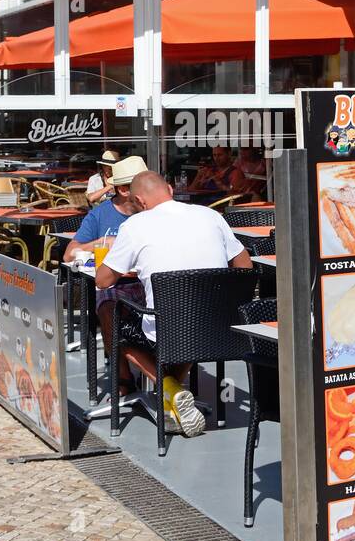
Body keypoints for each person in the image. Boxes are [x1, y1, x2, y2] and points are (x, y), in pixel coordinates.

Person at [96, 171, 253, 437]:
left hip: (171, 331)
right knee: (185, 322)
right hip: (220, 330)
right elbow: (244, 266)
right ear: (170, 188)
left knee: (108, 306)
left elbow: (102, 280)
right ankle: (172, 402)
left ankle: (170, 388)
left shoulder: (135, 226)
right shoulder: (211, 216)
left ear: (139, 201)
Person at [64, 156, 147, 397]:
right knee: (107, 304)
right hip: (117, 283)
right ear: (123, 189)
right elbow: (70, 254)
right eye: (140, 184)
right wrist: (103, 242)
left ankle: (168, 375)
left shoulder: (154, 211)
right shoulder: (101, 215)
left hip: (150, 282)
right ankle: (124, 375)